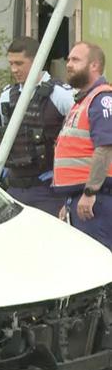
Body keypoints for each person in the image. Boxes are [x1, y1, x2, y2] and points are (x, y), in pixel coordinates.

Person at [0, 36, 74, 216]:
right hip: (13, 190)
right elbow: (0, 140)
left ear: (37, 60)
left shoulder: (61, 95)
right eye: (11, 64)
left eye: (19, 63)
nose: (14, 69)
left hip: (49, 190)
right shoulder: (7, 96)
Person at [54, 41, 112, 250]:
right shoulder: (82, 102)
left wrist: (89, 193)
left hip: (98, 200)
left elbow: (105, 148)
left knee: (101, 266)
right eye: (68, 59)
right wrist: (69, 201)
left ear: (94, 65)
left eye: (76, 60)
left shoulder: (101, 99)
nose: (69, 64)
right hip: (83, 199)